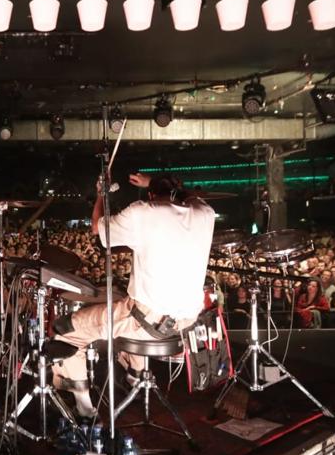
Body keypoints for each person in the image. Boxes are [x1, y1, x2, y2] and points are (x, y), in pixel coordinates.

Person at [49, 173, 216, 418]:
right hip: (186, 323)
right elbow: (188, 197)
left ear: (150, 194)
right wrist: (161, 184)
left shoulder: (142, 211)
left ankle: (85, 408)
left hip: (147, 320)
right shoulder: (204, 212)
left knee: (65, 329)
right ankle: (134, 377)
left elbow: (97, 228)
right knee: (124, 316)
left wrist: (100, 196)